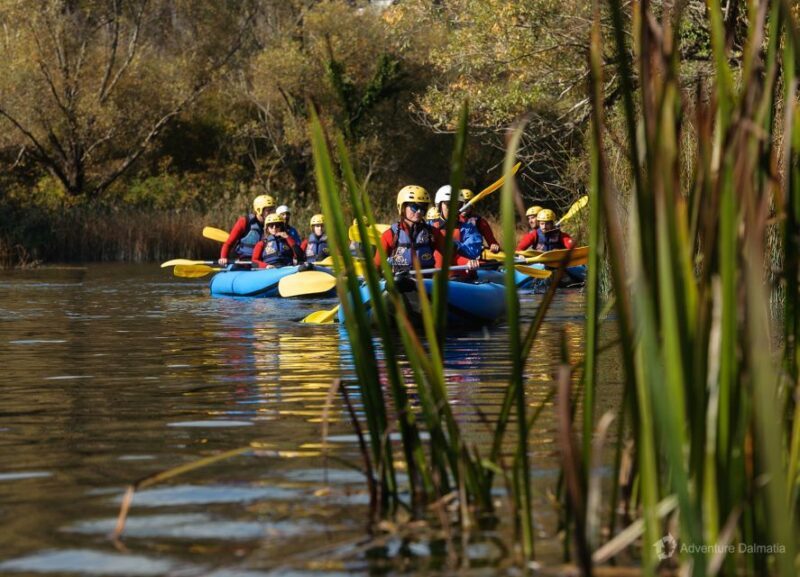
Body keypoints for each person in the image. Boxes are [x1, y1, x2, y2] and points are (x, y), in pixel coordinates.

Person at [374, 185, 479, 275]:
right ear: (402, 207)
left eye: (423, 207)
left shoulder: (432, 233)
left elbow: (451, 255)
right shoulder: (390, 235)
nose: (419, 212)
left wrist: (468, 262)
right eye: (415, 207)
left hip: (426, 283)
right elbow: (377, 265)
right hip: (400, 281)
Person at [437, 186, 501, 254]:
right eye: (462, 203)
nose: (464, 207)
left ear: (472, 205)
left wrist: (494, 246)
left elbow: (492, 242)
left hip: (472, 254)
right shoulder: (449, 220)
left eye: (467, 203)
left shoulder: (480, 222)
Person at [218, 194, 275, 265]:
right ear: (259, 210)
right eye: (269, 210)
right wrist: (223, 257)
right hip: (245, 260)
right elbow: (229, 243)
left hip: (265, 261)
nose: (272, 213)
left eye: (273, 210)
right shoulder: (244, 222)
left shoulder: (275, 225)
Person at [431, 186, 483, 260]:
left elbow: (474, 251)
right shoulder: (430, 227)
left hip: (459, 269)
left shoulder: (468, 228)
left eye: (457, 205)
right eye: (449, 204)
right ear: (440, 206)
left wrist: (455, 245)